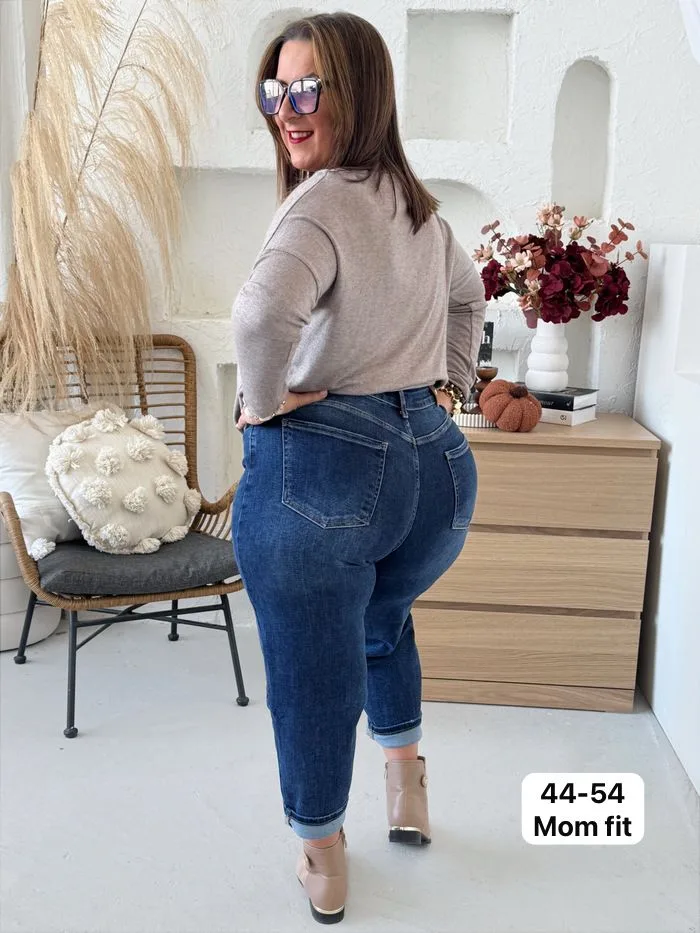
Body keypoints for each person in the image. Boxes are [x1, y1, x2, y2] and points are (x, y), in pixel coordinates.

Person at [231, 11, 486, 925]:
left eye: (308, 90)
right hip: (438, 474)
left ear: (360, 93)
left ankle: (324, 858)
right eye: (276, 91)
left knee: (311, 669)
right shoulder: (418, 207)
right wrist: (448, 386)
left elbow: (259, 317)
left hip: (331, 476)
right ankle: (407, 790)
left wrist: (265, 403)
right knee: (382, 623)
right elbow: (471, 295)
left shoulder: (322, 202)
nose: (286, 111)